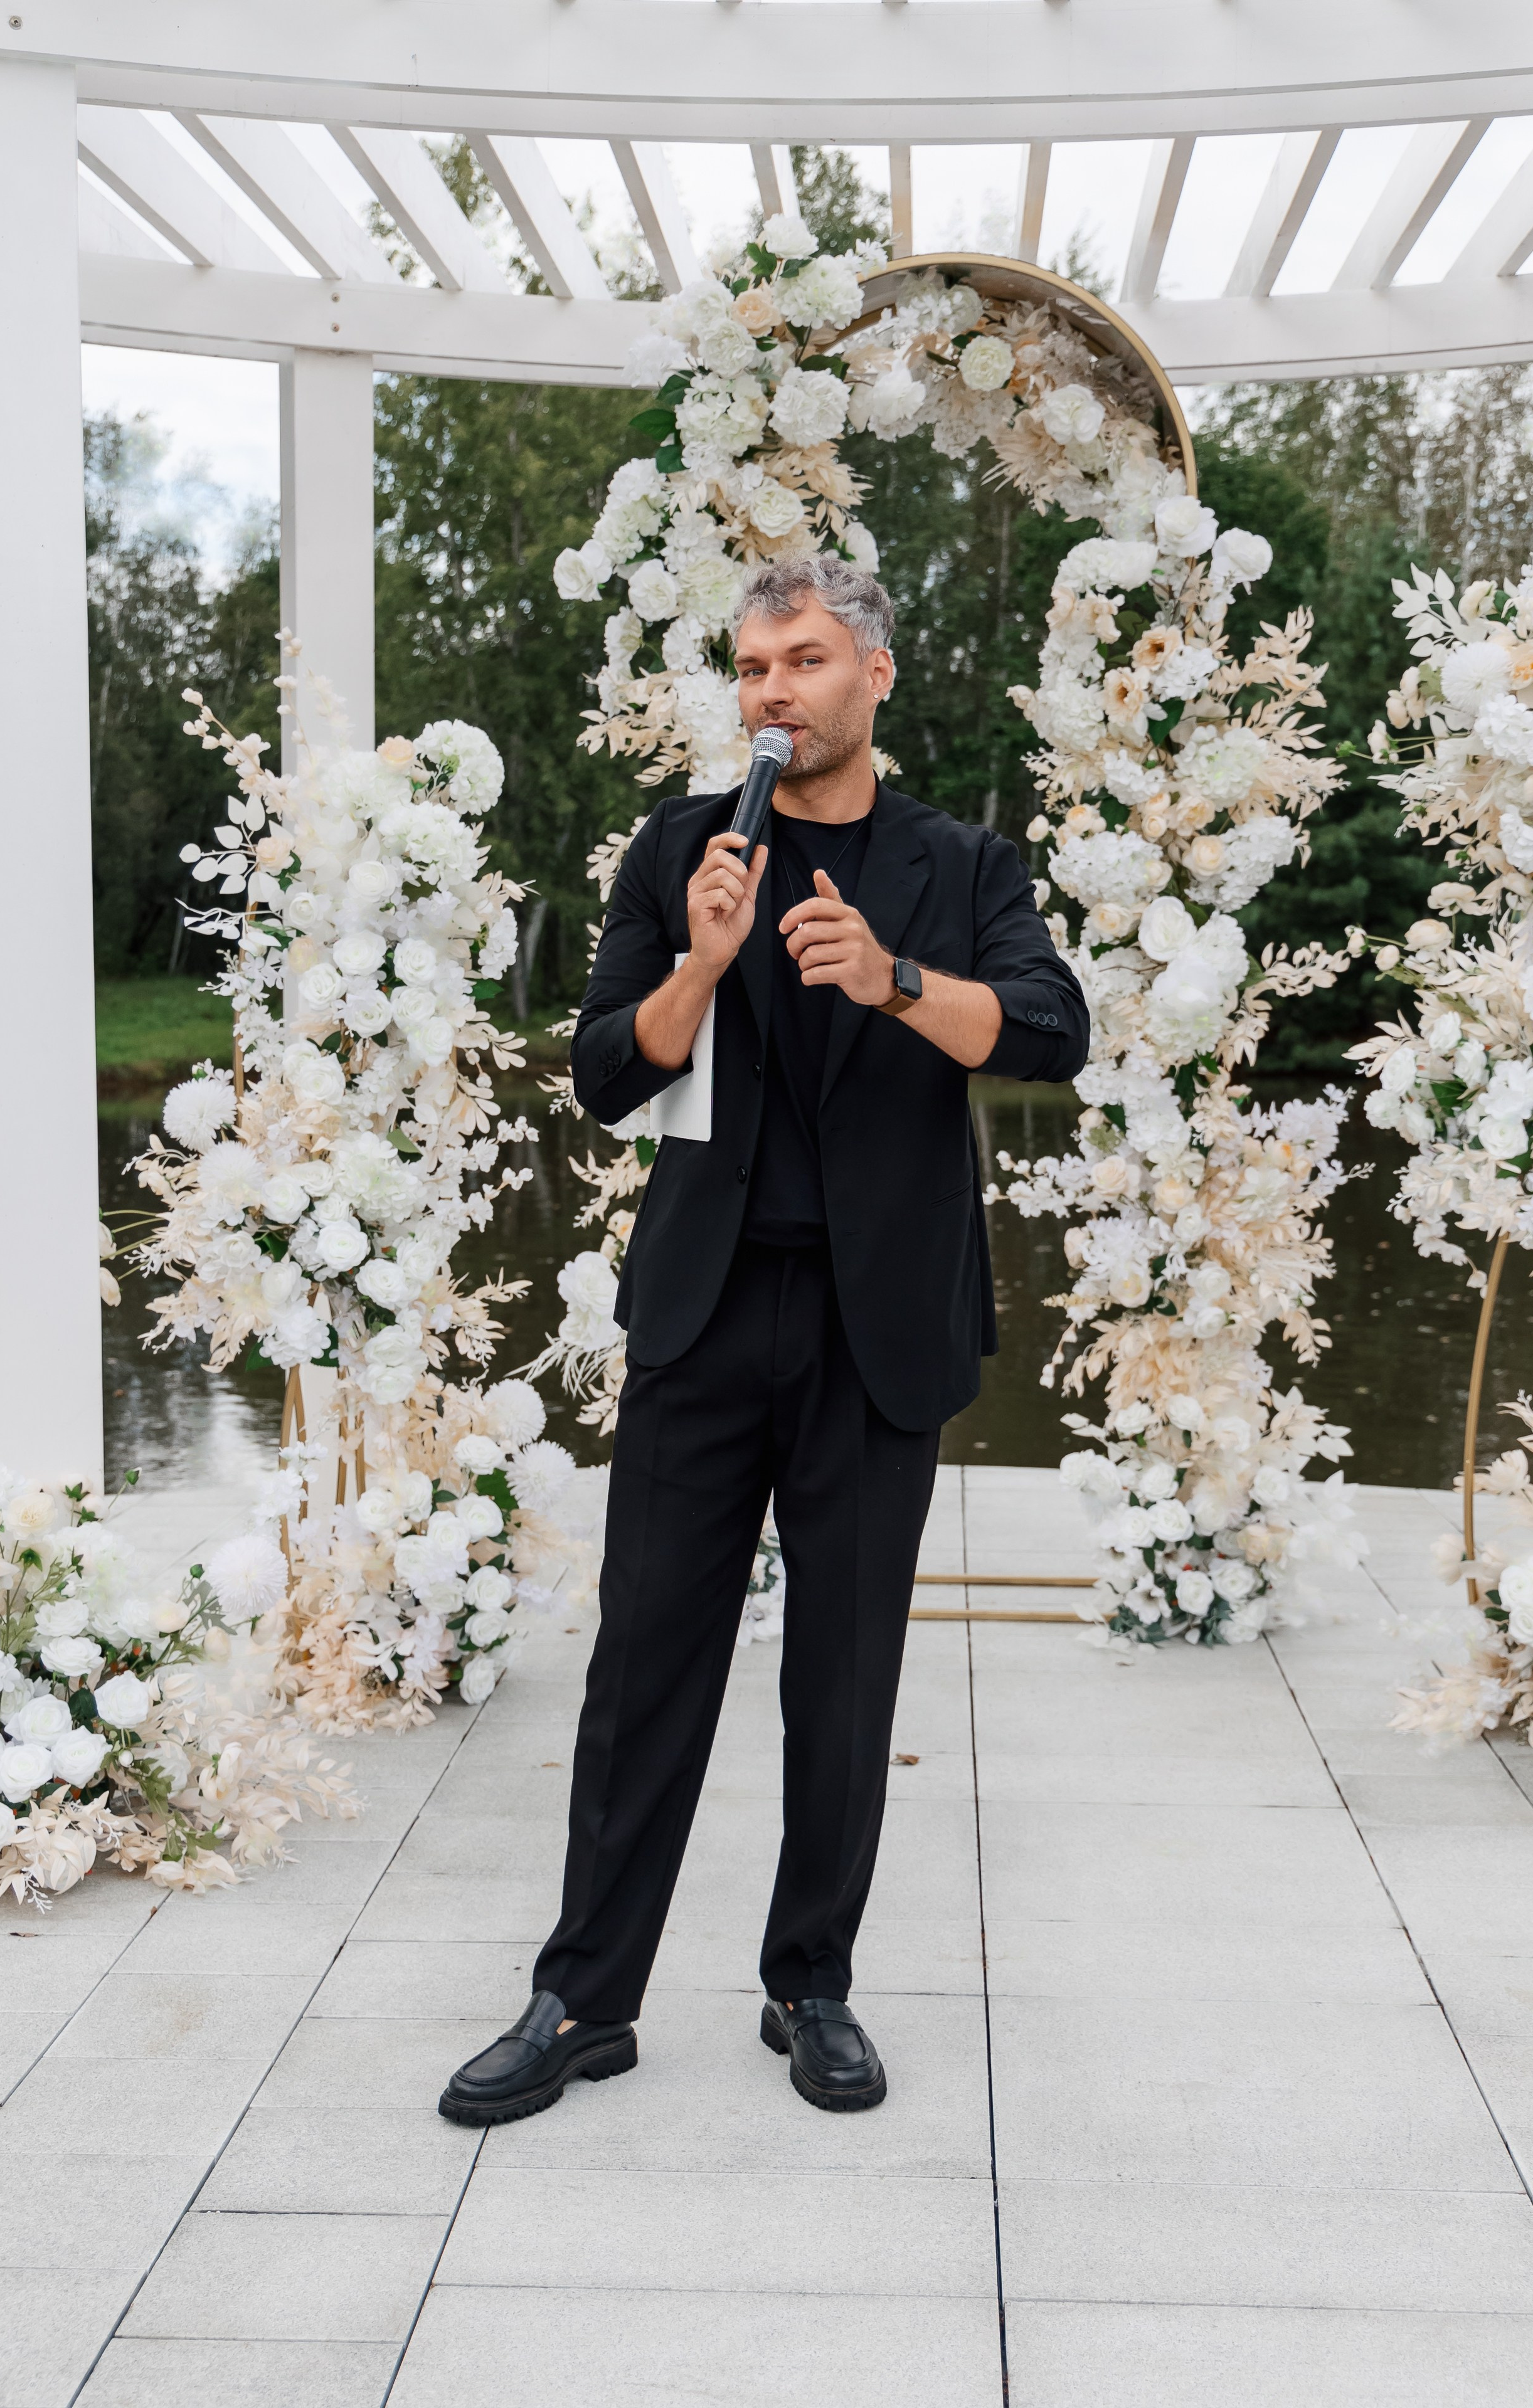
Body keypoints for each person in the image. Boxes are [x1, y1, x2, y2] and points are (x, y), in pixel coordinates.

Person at [440, 554, 1089, 2128]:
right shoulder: (681, 851)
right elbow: (603, 1067)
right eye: (749, 667)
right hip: (701, 1316)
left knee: (843, 1680)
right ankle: (583, 2000)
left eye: (802, 659)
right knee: (644, 1665)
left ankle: (812, 1988)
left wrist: (893, 979)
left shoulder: (958, 864)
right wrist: (701, 968)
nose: (772, 691)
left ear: (874, 674)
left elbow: (1053, 1036)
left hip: (880, 1323)